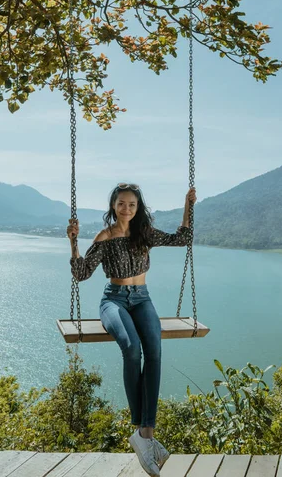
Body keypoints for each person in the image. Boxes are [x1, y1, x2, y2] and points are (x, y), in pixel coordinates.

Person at [67, 183, 196, 476]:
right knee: (131, 348)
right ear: (114, 205)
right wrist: (73, 242)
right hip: (113, 300)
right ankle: (142, 431)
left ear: (138, 208)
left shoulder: (144, 233)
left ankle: (145, 433)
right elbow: (81, 273)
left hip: (142, 299)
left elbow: (183, 239)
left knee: (155, 352)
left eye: (132, 205)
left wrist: (188, 204)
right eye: (122, 203)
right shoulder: (105, 237)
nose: (127, 209)